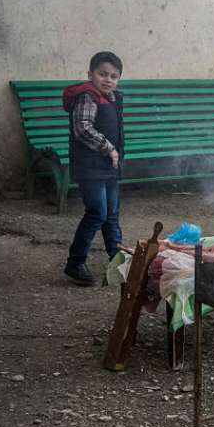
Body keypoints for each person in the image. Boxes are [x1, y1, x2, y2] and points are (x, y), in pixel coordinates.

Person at [62, 52, 125, 286]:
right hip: (91, 168)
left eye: (113, 76)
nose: (108, 80)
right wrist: (109, 148)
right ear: (90, 74)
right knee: (97, 212)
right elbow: (83, 128)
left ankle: (117, 259)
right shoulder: (88, 97)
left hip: (108, 168)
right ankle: (75, 262)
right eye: (102, 74)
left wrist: (114, 155)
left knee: (112, 214)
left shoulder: (112, 98)